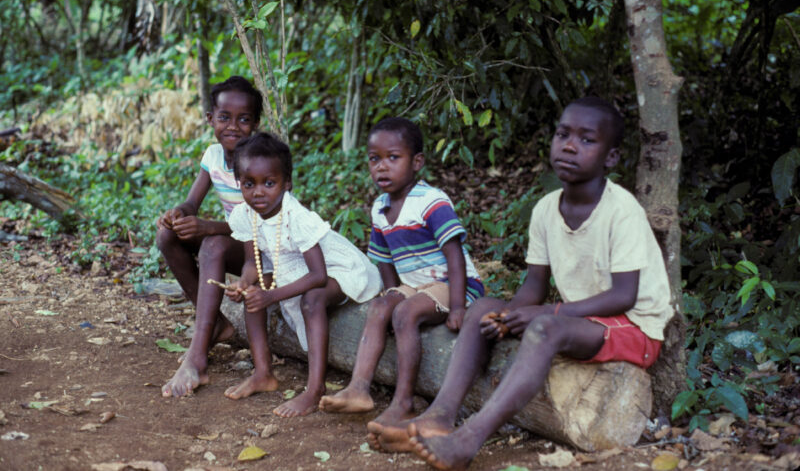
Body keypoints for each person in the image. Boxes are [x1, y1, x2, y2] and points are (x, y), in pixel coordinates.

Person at [401, 97, 674, 470]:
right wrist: (509, 314)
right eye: (563, 134)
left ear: (611, 158)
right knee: (483, 307)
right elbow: (534, 287)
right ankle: (441, 415)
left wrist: (547, 312)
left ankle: (469, 438)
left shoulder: (621, 210)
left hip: (635, 327)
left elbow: (623, 296)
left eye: (587, 140)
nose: (570, 145)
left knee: (545, 326)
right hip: (583, 320)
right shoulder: (547, 209)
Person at [318, 117, 484, 451]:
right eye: (374, 159)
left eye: (393, 158)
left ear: (417, 162)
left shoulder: (431, 202)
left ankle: (404, 401)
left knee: (406, 313)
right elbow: (385, 261)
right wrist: (391, 296)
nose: (382, 167)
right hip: (416, 284)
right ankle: (358, 389)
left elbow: (454, 255)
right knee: (381, 306)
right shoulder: (380, 208)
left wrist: (456, 306)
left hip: (453, 282)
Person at [223, 132, 382, 417]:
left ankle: (314, 389)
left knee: (311, 301)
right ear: (239, 183)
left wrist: (271, 294)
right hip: (290, 268)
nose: (258, 192)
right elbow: (251, 262)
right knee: (252, 295)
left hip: (336, 269)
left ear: (287, 184)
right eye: (249, 184)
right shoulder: (245, 214)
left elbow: (318, 275)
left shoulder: (297, 218)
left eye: (269, 183)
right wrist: (244, 283)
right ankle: (262, 372)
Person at [159, 76, 261, 398]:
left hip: (262, 249)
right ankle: (216, 324)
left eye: (244, 119)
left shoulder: (259, 159)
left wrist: (209, 227)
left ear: (256, 123)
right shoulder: (213, 156)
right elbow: (192, 203)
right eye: (224, 118)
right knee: (166, 237)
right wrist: (178, 213)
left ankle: (197, 358)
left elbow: (261, 223)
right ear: (210, 119)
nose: (233, 126)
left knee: (213, 243)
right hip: (236, 241)